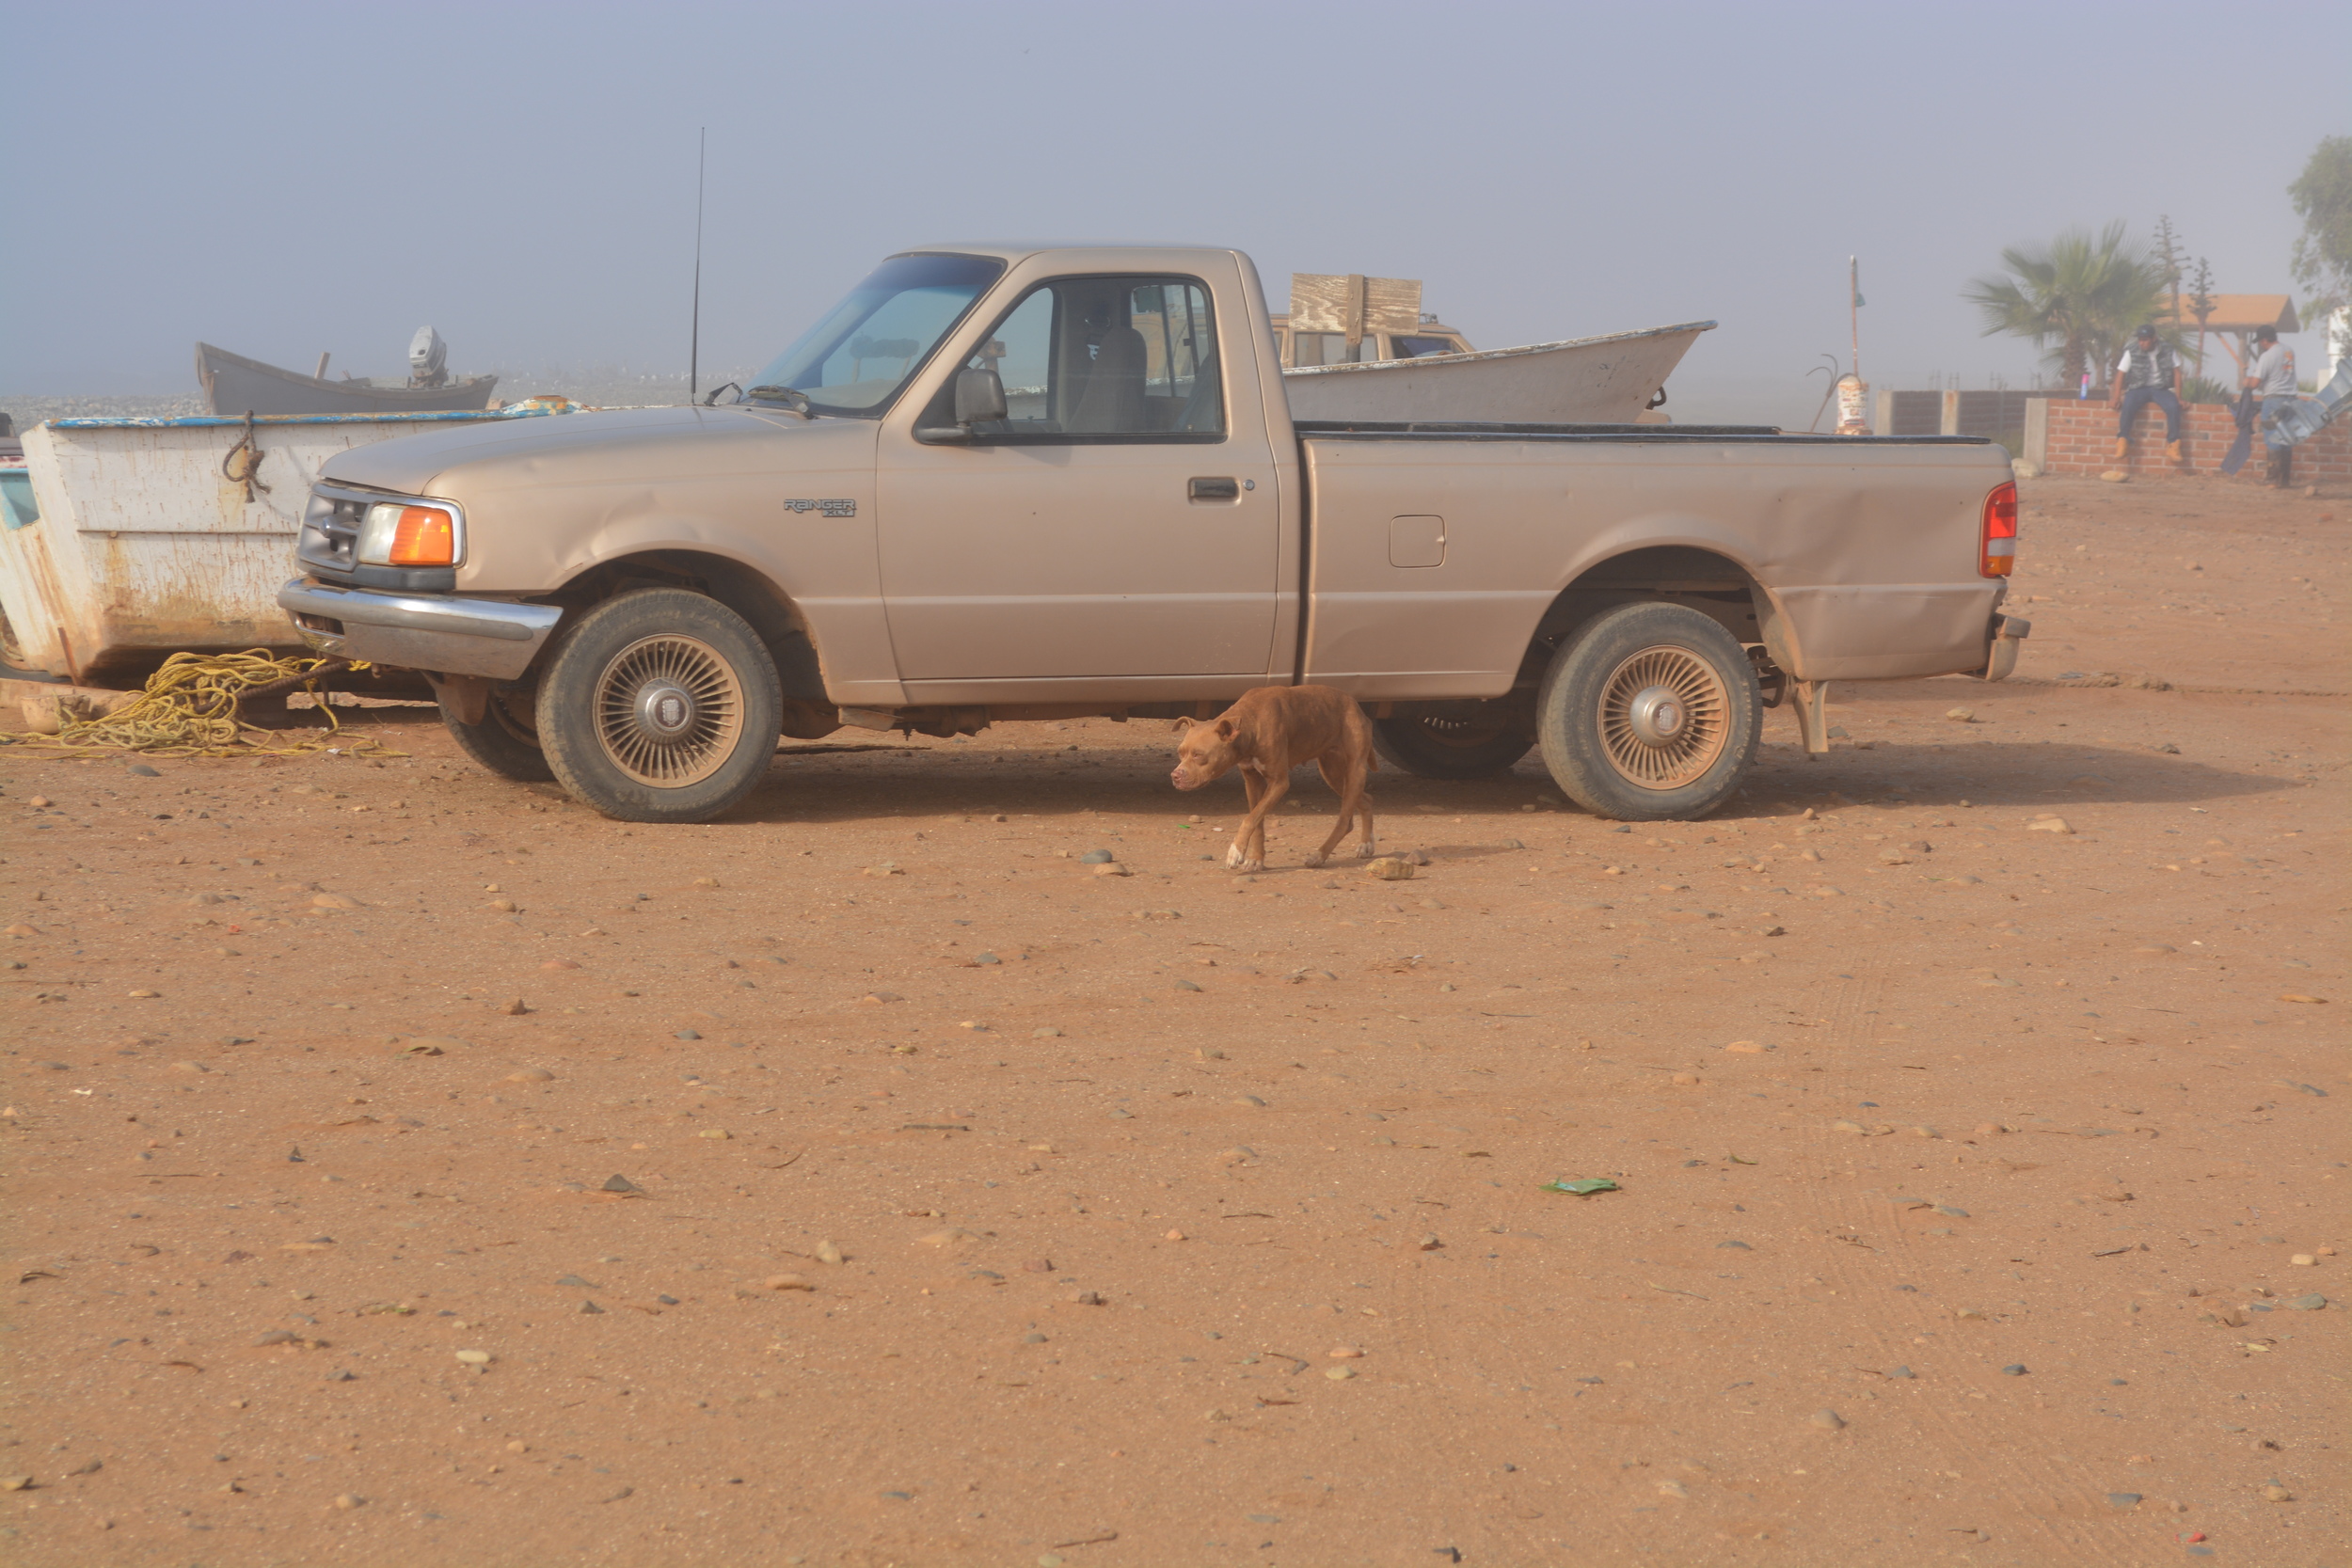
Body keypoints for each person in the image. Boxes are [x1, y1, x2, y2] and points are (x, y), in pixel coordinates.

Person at [2109, 324, 2184, 463]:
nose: (2141, 343)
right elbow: (2121, 374)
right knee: (2128, 405)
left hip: (2161, 388)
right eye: (2140, 340)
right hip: (2138, 388)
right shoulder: (2131, 351)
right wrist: (2116, 397)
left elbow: (2177, 373)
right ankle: (2122, 441)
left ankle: (2173, 444)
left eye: (2145, 340)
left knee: (2173, 407)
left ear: (2154, 339)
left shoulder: (2168, 349)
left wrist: (2179, 398)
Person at [2243, 324, 2299, 487]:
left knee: (2273, 438)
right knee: (2287, 438)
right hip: (2291, 400)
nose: (2261, 345)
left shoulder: (2267, 356)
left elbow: (2255, 383)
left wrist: (2246, 381)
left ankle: (2272, 481)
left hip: (2273, 400)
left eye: (2261, 342)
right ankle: (2284, 480)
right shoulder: (2289, 351)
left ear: (2265, 340)